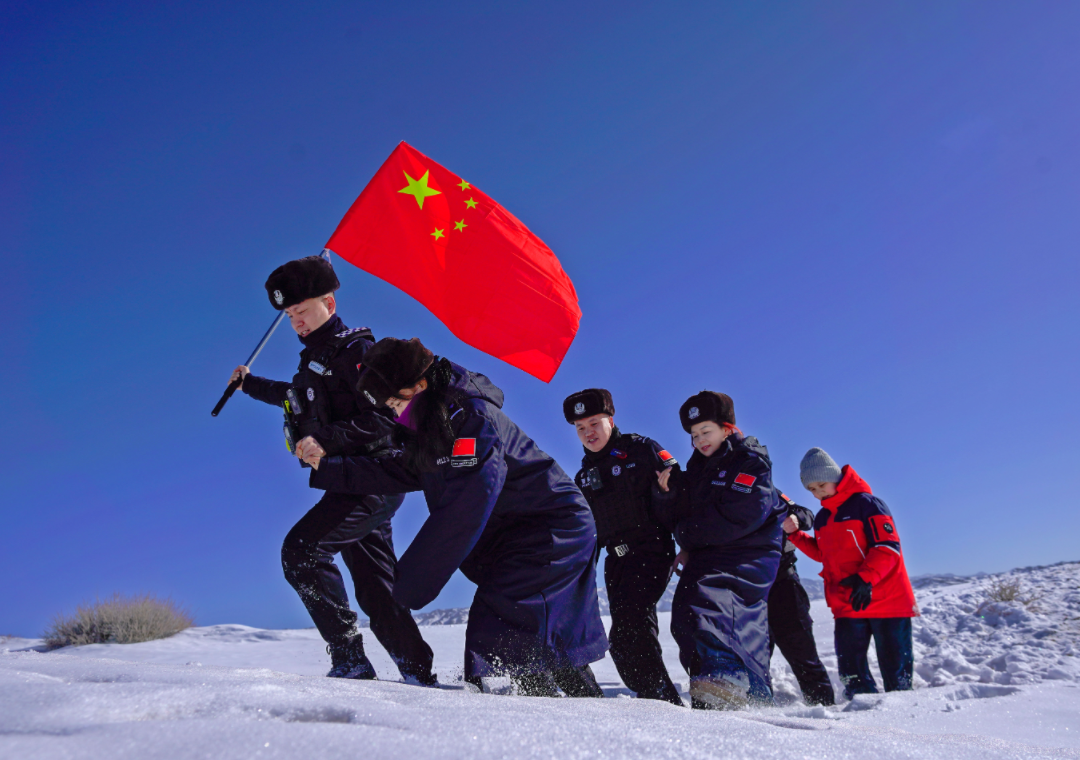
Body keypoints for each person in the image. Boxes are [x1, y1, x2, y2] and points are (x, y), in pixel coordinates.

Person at [302, 337, 609, 697]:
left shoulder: (472, 419)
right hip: (518, 537)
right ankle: (567, 710)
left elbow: (468, 502)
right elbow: (397, 469)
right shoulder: (429, 424)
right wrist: (330, 467)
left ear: (419, 386)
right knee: (530, 636)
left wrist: (411, 583)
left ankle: (565, 712)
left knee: (504, 628)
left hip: (552, 530)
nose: (395, 414)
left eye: (396, 403)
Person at [230, 255, 434, 684]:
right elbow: (295, 396)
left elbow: (386, 416)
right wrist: (248, 384)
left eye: (302, 311)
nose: (296, 322)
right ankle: (419, 674)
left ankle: (349, 659)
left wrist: (326, 439)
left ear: (330, 303)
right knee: (377, 589)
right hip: (351, 480)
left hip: (375, 479)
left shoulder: (358, 351)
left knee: (302, 551)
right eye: (289, 315)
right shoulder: (314, 361)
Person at [654, 391, 785, 710]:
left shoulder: (749, 461)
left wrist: (687, 536)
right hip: (711, 553)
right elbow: (683, 513)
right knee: (685, 612)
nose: (699, 440)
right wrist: (667, 493)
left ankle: (729, 678)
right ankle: (718, 686)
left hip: (748, 553)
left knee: (712, 603)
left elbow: (742, 515)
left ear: (727, 429)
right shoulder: (699, 469)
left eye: (706, 431)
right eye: (694, 435)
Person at [563, 389, 683, 705]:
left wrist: (688, 543)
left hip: (650, 550)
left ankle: (661, 700)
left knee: (631, 626)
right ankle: (655, 698)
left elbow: (680, 494)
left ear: (611, 420)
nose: (588, 432)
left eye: (594, 423)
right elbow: (584, 532)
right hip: (615, 562)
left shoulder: (641, 450)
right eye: (580, 427)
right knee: (625, 635)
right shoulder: (583, 476)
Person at [788, 447, 918, 700]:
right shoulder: (823, 517)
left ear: (835, 478)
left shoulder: (868, 504)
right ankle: (861, 712)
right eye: (811, 489)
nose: (818, 493)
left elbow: (887, 547)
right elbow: (824, 554)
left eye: (821, 485)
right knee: (851, 669)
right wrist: (796, 536)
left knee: (896, 671)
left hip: (886, 600)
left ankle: (902, 712)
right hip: (848, 601)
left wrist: (864, 578)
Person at [768, 491, 836, 705]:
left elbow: (805, 513)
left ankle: (825, 711)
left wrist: (796, 519)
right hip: (743, 591)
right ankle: (755, 714)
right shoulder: (718, 490)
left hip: (783, 585)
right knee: (753, 662)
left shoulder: (767, 489)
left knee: (803, 655)